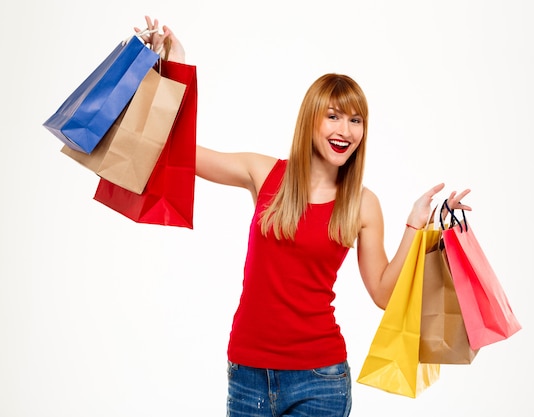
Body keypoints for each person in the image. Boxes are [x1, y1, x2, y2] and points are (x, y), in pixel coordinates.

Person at [137, 16, 471, 417]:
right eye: (333, 115)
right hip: (248, 375)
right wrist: (172, 68)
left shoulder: (362, 204)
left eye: (355, 119)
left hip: (321, 379)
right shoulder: (263, 174)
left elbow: (384, 293)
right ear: (311, 119)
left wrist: (415, 225)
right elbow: (178, 151)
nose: (344, 129)